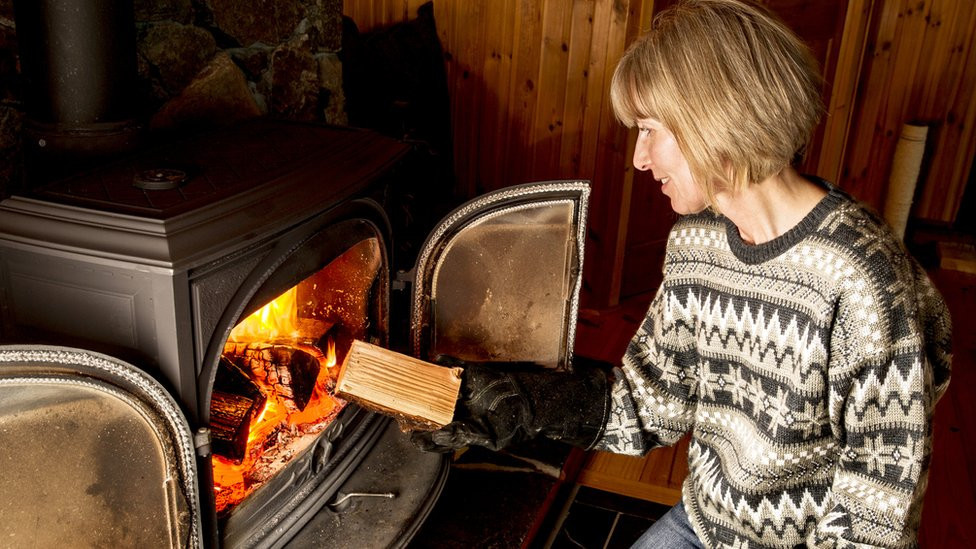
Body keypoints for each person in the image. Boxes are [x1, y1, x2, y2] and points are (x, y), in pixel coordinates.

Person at [413, 1, 953, 547]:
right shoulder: (696, 242)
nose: (639, 159)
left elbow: (877, 512)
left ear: (713, 118)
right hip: (706, 521)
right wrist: (526, 403)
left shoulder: (862, 279)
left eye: (649, 130)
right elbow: (652, 402)